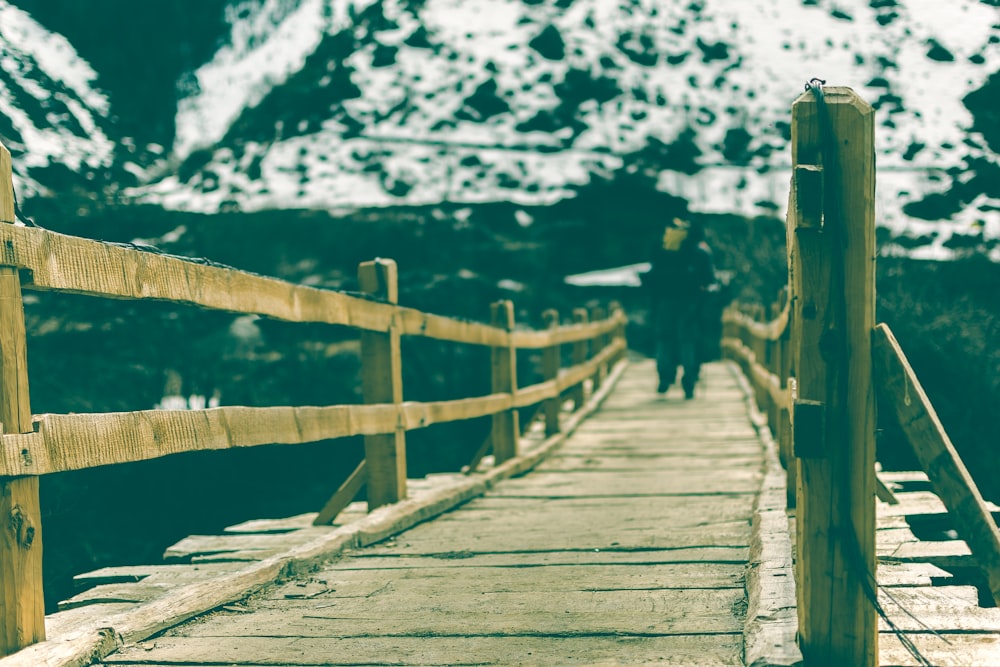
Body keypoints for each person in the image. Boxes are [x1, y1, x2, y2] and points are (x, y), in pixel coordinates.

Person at [644, 218, 716, 399]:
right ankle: (689, 381)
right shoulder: (699, 251)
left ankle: (664, 377)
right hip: (690, 303)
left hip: (664, 302)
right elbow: (708, 279)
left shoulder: (662, 249)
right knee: (688, 341)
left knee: (664, 339)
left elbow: (652, 275)